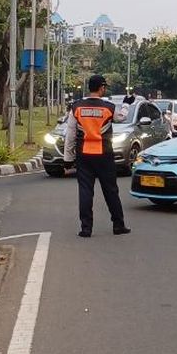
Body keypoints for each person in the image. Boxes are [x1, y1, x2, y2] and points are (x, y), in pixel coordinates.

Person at [63, 74, 130, 237]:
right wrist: (126, 105)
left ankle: (86, 228)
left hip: (84, 154)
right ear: (101, 88)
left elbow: (70, 134)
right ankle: (118, 225)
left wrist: (67, 160)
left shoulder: (76, 107)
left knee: (85, 191)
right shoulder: (108, 107)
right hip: (104, 154)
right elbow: (121, 118)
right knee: (111, 190)